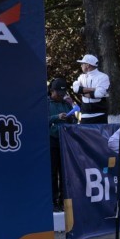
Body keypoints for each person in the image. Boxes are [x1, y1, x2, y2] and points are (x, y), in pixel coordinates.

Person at [47, 78, 75, 211]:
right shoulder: (46, 104)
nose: (60, 96)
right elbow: (40, 120)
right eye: (58, 94)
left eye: (62, 94)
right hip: (51, 141)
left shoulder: (66, 104)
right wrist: (56, 117)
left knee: (64, 173)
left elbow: (74, 121)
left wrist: (70, 117)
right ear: (52, 91)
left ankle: (64, 200)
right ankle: (53, 201)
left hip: (65, 142)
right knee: (53, 173)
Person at [72, 54, 110, 124]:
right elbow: (76, 89)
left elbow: (98, 94)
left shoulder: (103, 77)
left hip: (100, 115)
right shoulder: (81, 77)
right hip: (84, 115)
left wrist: (83, 92)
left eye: (82, 64)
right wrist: (93, 89)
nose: (81, 66)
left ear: (87, 65)